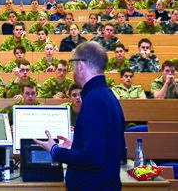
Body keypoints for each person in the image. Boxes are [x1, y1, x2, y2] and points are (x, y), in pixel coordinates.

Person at [34, 41, 126, 190]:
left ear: (80, 65)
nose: (72, 70)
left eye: (72, 64)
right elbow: (114, 149)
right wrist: (76, 147)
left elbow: (93, 159)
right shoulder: (109, 96)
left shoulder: (93, 100)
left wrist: (55, 150)